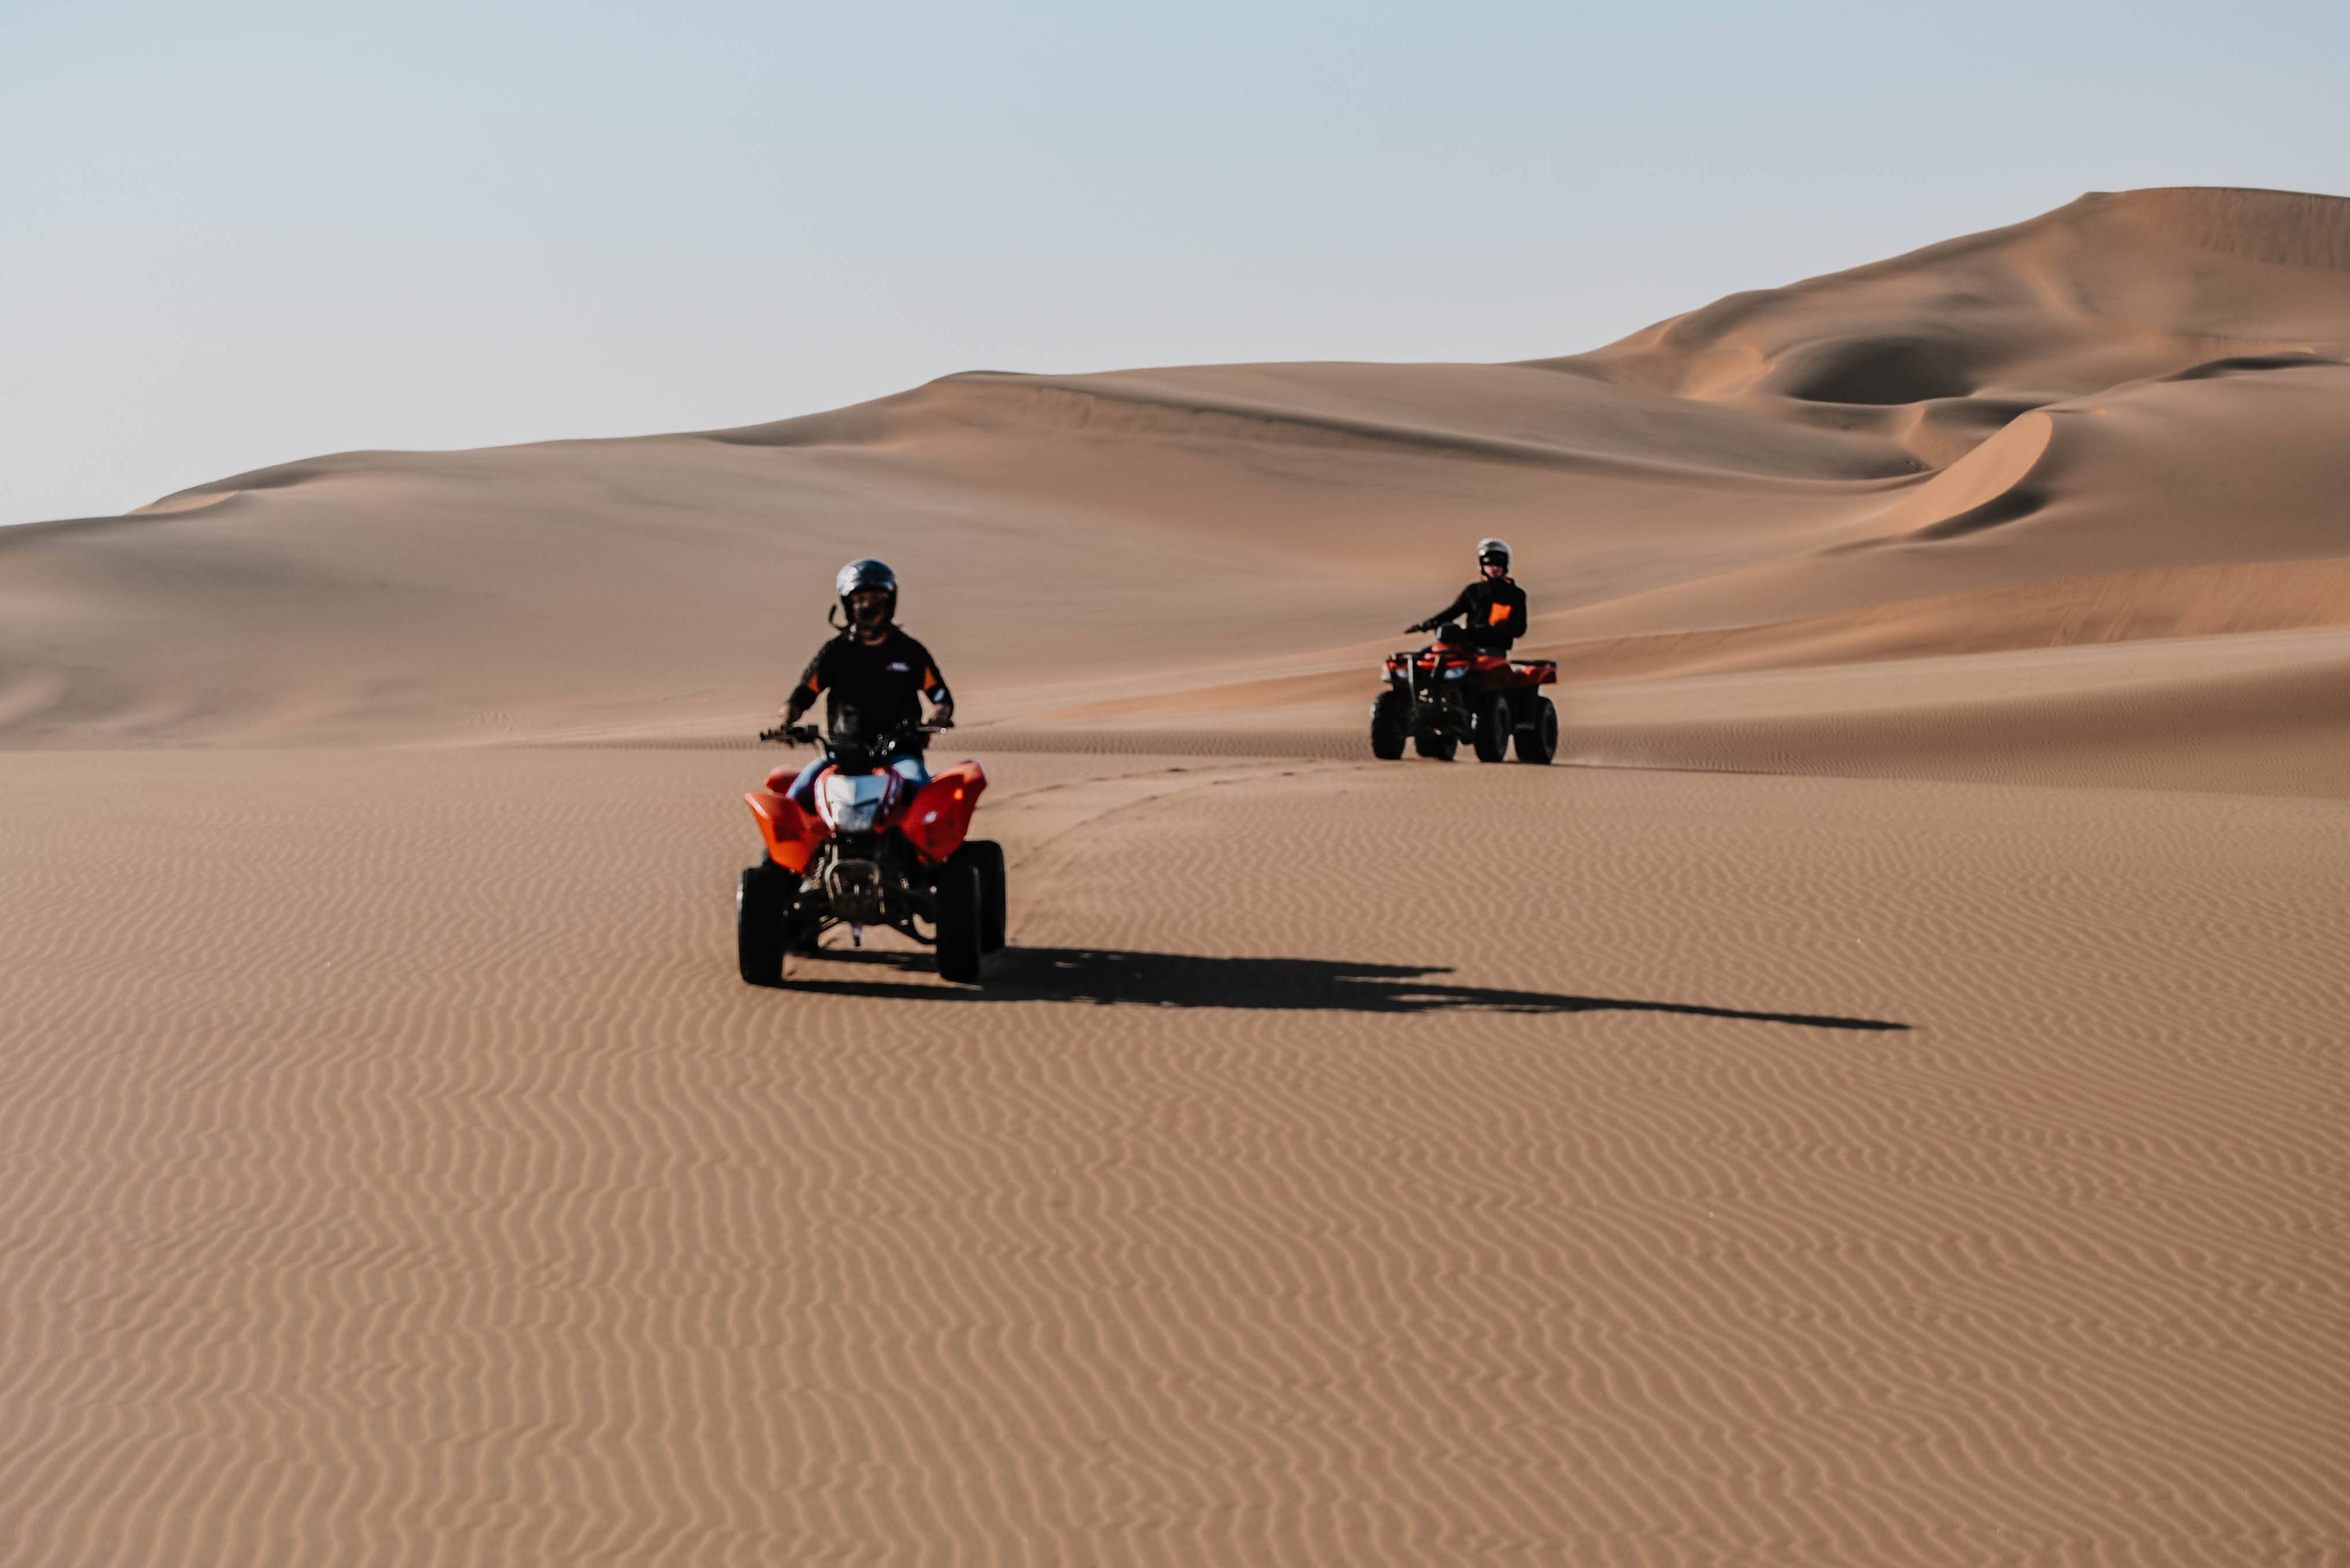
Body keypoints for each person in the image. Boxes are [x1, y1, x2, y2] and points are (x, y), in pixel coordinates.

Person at [777, 559, 954, 807]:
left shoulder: (909, 651)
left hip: (899, 754)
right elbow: (802, 696)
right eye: (860, 599)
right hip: (842, 755)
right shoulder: (835, 652)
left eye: (876, 598)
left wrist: (939, 716)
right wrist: (786, 722)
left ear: (890, 602)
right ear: (848, 604)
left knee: (921, 796)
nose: (868, 605)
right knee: (796, 799)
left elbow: (940, 696)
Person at [1407, 537, 1526, 652]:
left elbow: (1520, 629)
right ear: (1482, 565)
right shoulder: (1473, 591)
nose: (1494, 568)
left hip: (1493, 649)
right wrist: (1429, 623)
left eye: (1499, 563)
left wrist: (1499, 627)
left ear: (1506, 565)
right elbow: (1453, 611)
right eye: (1488, 563)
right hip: (1468, 644)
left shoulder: (1516, 594)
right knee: (1426, 654)